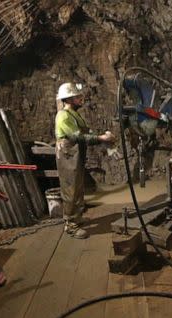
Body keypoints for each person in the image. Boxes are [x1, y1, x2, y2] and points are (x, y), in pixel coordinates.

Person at [55, 82, 115, 239]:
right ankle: (70, 225)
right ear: (68, 99)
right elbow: (77, 136)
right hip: (68, 153)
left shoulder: (74, 114)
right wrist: (101, 138)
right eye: (77, 96)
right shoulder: (63, 116)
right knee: (70, 189)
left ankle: (76, 217)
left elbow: (84, 132)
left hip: (75, 153)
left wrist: (101, 137)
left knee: (78, 187)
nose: (80, 98)